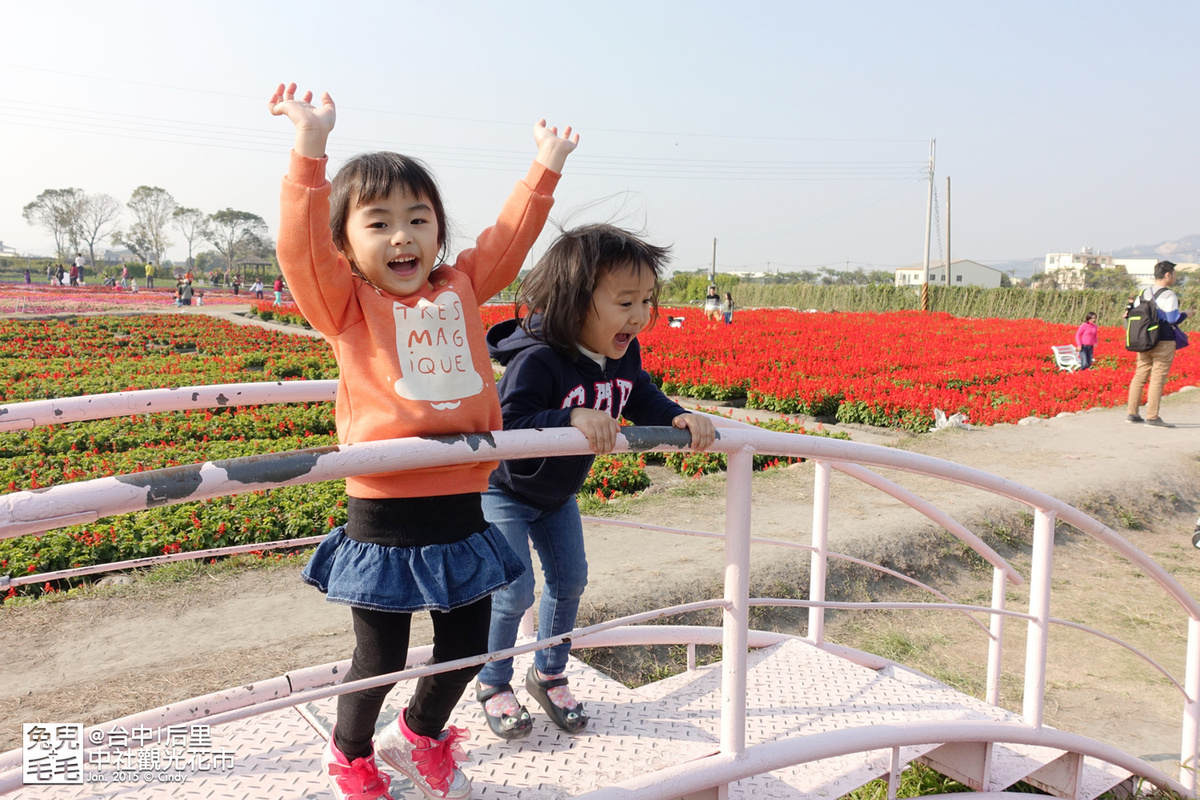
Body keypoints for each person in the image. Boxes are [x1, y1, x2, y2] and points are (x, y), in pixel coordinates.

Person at [270, 81, 577, 800]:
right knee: (377, 657)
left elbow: (509, 237)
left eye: (419, 219)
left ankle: (421, 734)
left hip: (463, 507)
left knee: (467, 648)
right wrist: (309, 150)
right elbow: (299, 249)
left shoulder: (461, 286)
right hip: (384, 511)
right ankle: (350, 759)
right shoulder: (345, 304)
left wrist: (545, 169)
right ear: (345, 245)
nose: (402, 236)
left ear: (439, 230)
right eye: (378, 224)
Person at [475, 224, 716, 742]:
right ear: (575, 302)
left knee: (570, 581)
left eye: (647, 300)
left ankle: (549, 674)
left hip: (557, 495)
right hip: (504, 491)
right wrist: (569, 417)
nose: (640, 315)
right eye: (625, 301)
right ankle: (494, 683)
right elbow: (506, 426)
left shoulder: (623, 354)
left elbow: (641, 396)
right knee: (513, 591)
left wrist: (678, 416)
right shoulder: (537, 360)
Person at [1127, 260, 1189, 427]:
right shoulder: (1169, 295)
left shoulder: (1142, 294)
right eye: (1174, 274)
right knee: (1157, 379)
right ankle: (1152, 416)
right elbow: (1172, 319)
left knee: (1139, 376)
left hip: (1144, 341)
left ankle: (1132, 413)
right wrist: (1186, 314)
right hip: (1163, 341)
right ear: (1168, 275)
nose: (1175, 277)